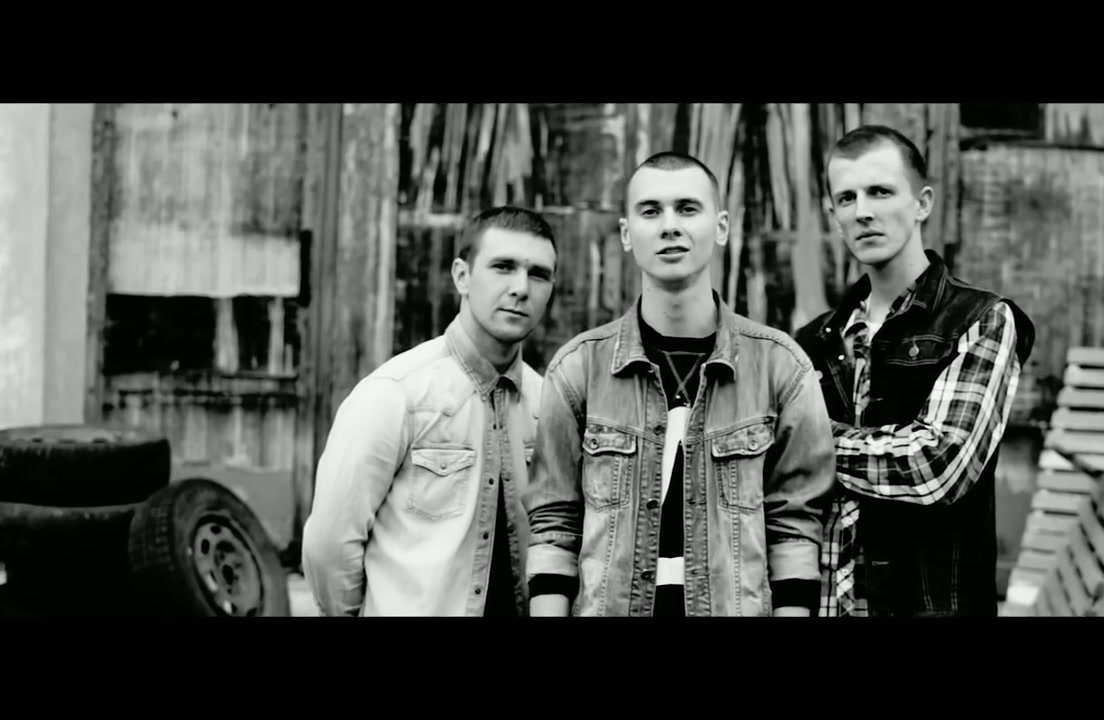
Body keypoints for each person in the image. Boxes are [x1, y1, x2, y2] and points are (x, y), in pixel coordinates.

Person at [522, 151, 835, 617]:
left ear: (721, 227)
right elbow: (554, 525)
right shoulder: (579, 367)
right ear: (626, 233)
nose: (670, 226)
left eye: (687, 208)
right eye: (651, 211)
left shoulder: (779, 366)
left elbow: (794, 527)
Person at [794, 125, 1036, 618]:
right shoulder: (812, 340)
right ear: (833, 216)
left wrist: (805, 442)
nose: (863, 211)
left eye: (880, 192)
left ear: (922, 203)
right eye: (846, 198)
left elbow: (936, 465)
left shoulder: (980, 320)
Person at [301, 206, 558, 616]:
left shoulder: (547, 404)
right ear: (462, 276)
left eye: (538, 274)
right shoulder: (395, 394)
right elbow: (329, 546)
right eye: (503, 267)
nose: (521, 288)